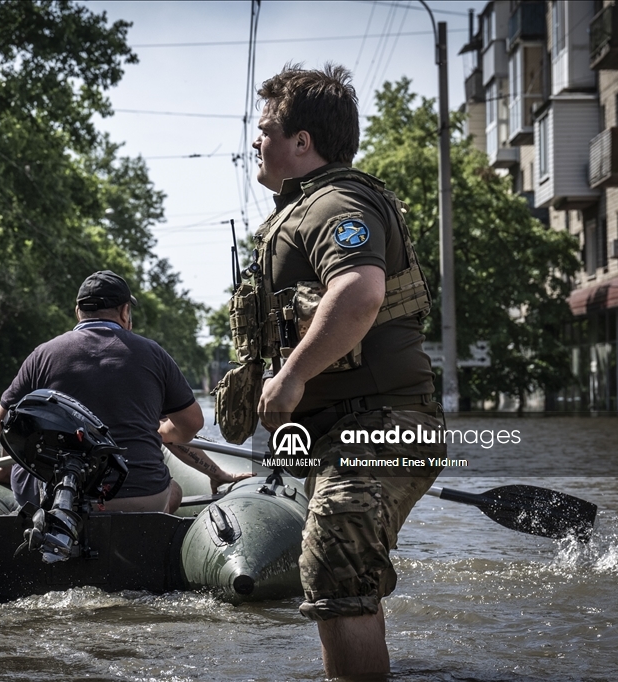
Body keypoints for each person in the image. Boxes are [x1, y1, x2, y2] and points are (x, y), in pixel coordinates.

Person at [231, 63, 448, 677]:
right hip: (345, 431)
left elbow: (359, 293)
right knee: (342, 572)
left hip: (383, 425)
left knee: (334, 565)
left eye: (267, 128)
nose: (256, 140)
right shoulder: (301, 211)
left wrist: (293, 376)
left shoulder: (337, 202)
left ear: (303, 142)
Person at [0, 270, 243, 513]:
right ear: (124, 311)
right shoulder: (153, 354)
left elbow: (1, 424)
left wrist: (11, 469)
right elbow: (191, 424)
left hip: (64, 500)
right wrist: (162, 431)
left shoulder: (43, 354)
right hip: (143, 497)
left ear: (78, 312)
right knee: (173, 489)